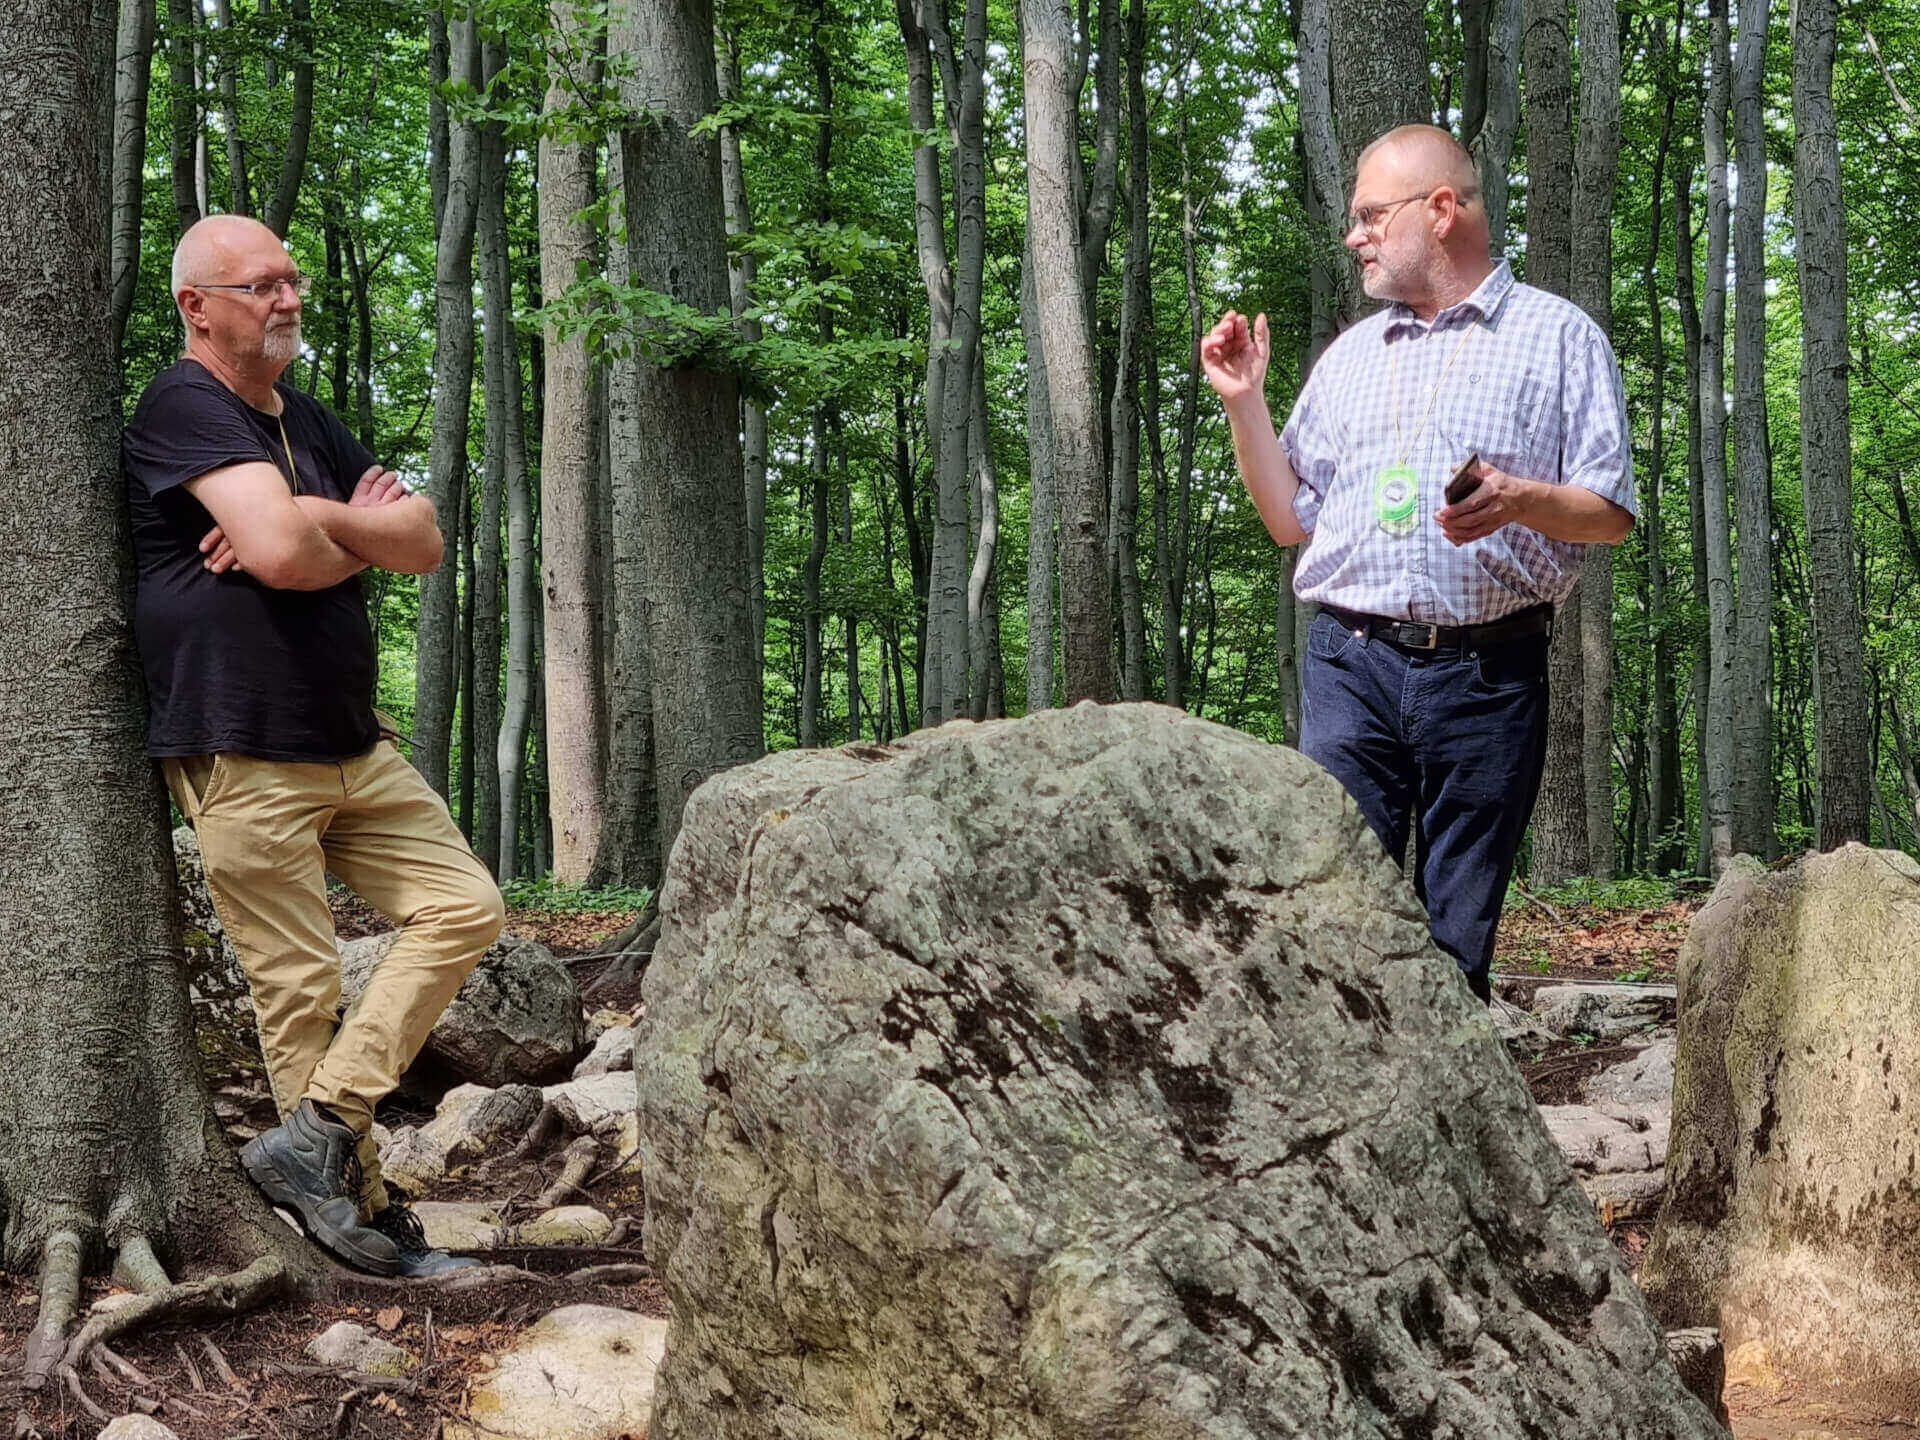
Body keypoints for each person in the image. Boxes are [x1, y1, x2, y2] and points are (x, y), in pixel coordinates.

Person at [123, 214, 506, 1276]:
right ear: (198, 305)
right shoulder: (182, 402)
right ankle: (366, 1216)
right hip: (239, 743)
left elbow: (422, 542)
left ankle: (316, 1137)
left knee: (466, 905)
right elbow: (288, 558)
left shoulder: (310, 422)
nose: (287, 299)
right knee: (298, 991)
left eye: (291, 279)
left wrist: (308, 512)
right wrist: (340, 531)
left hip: (352, 740)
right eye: (259, 286)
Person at [1201, 124, 1634, 1002]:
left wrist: (1519, 499)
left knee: (1453, 940)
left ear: (1440, 211)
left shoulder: (1559, 337)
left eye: (1369, 214)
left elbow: (1610, 515)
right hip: (1349, 666)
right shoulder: (1351, 356)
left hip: (1488, 674)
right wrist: (1246, 403)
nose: (1353, 234)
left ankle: (1448, 1129)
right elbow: (1289, 519)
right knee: (1328, 917)